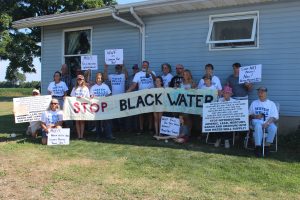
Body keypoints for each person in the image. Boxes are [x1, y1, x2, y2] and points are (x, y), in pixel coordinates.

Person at [127, 60, 156, 134]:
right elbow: (134, 85)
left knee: (150, 113)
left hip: (150, 95)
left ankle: (150, 128)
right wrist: (128, 92)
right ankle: (141, 128)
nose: (144, 66)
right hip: (141, 95)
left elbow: (156, 80)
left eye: (146, 65)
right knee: (141, 112)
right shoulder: (138, 74)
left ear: (148, 66)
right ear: (141, 66)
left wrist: (151, 73)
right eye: (143, 65)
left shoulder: (152, 73)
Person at [249, 87, 279, 157]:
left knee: (273, 128)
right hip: (256, 122)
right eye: (259, 92)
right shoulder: (254, 103)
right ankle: (258, 147)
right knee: (258, 125)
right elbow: (249, 115)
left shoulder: (271, 104)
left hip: (268, 121)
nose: (260, 93)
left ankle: (267, 146)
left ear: (266, 93)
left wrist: (267, 123)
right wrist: (256, 116)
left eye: (262, 92)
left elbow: (274, 116)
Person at [90, 72, 115, 140]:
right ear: (96, 79)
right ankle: (98, 135)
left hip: (105, 106)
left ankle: (109, 135)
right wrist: (91, 96)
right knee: (97, 121)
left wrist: (107, 96)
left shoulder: (105, 86)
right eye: (98, 78)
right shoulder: (93, 87)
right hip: (97, 107)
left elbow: (110, 94)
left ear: (102, 79)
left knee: (107, 121)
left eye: (100, 78)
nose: (99, 79)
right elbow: (90, 96)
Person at [104, 64, 128, 132]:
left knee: (122, 113)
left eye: (119, 68)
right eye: (117, 68)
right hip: (114, 98)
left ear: (121, 69)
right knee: (115, 113)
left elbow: (126, 76)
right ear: (115, 69)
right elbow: (105, 77)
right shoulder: (112, 76)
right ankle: (116, 127)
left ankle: (123, 128)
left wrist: (123, 66)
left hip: (122, 97)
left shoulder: (123, 75)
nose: (118, 69)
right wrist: (106, 68)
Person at [70, 74, 90, 139]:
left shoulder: (86, 88)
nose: (79, 80)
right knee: (77, 121)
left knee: (82, 121)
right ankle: (79, 135)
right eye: (78, 79)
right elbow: (71, 97)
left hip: (83, 106)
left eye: (81, 79)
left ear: (83, 80)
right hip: (76, 106)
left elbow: (88, 97)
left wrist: (82, 97)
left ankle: (82, 135)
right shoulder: (74, 88)